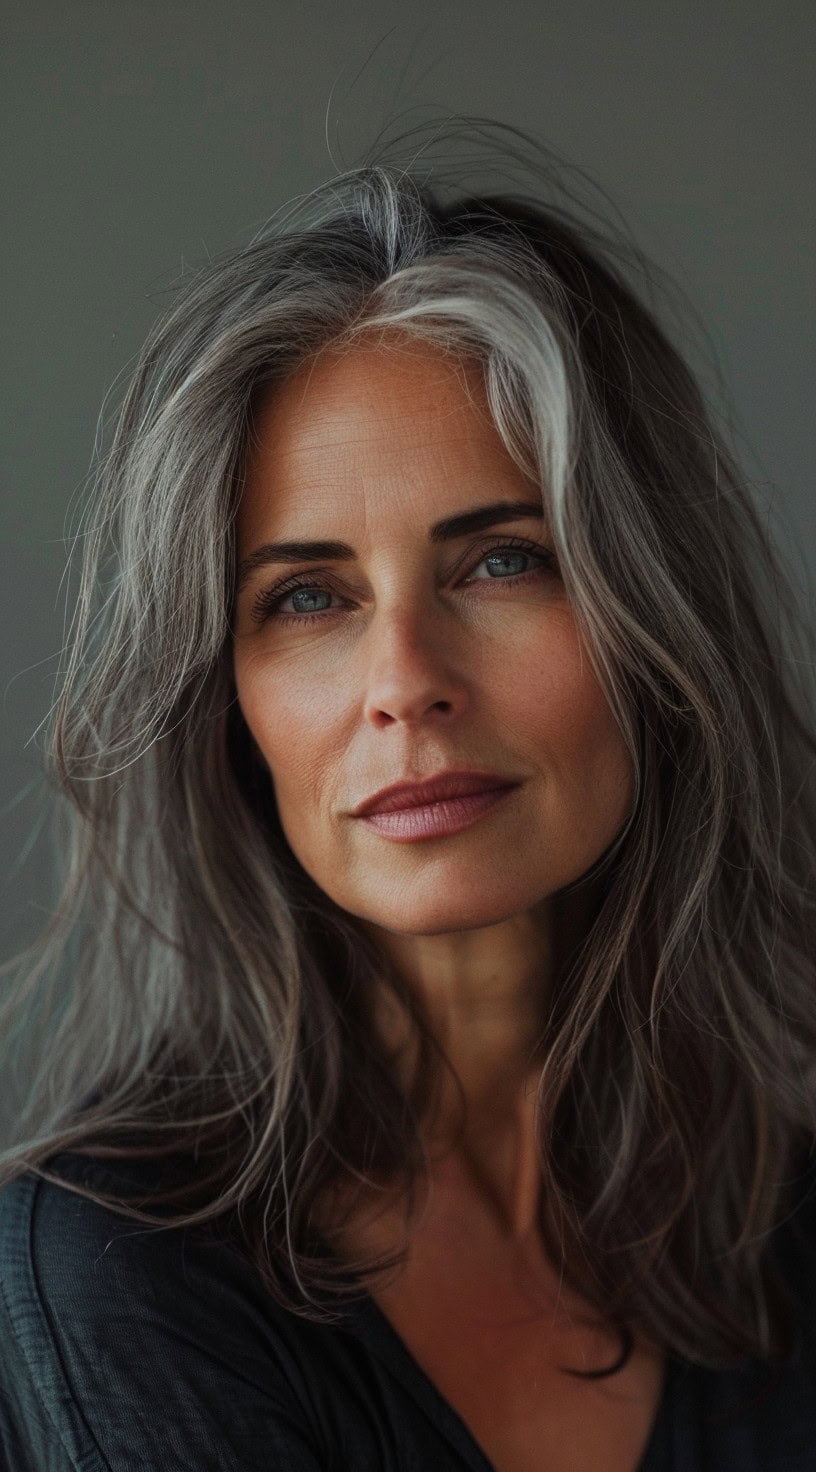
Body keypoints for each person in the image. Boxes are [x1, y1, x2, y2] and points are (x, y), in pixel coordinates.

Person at [0, 118, 815, 1472]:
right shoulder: (115, 1267)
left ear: (657, 623)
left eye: (502, 563)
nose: (404, 683)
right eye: (307, 598)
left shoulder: (784, 1227)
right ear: (228, 703)